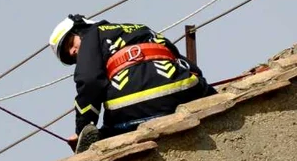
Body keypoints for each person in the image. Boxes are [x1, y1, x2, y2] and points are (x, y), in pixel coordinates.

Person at [48, 14, 216, 153]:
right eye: (69, 56)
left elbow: (90, 81)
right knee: (204, 90)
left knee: (108, 132)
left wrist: (83, 130)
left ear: (80, 29)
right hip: (181, 87)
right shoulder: (141, 28)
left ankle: (103, 136)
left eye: (70, 44)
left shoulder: (92, 35)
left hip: (131, 103)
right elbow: (184, 63)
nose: (72, 52)